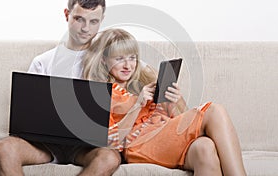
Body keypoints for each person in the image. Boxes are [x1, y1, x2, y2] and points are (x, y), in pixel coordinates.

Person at [83, 28, 247, 176]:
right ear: (104, 60)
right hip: (140, 144)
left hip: (164, 136)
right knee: (214, 110)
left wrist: (177, 100)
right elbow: (110, 141)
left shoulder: (146, 81)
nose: (128, 65)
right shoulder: (101, 92)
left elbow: (184, 124)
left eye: (132, 58)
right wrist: (137, 105)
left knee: (205, 148)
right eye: (119, 59)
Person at [0, 0, 121, 176]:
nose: (86, 28)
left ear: (101, 21)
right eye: (79, 19)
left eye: (93, 22)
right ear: (67, 14)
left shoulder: (108, 59)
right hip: (45, 145)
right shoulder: (43, 62)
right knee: (4, 147)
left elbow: (136, 78)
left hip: (85, 148)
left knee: (110, 158)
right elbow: (27, 115)